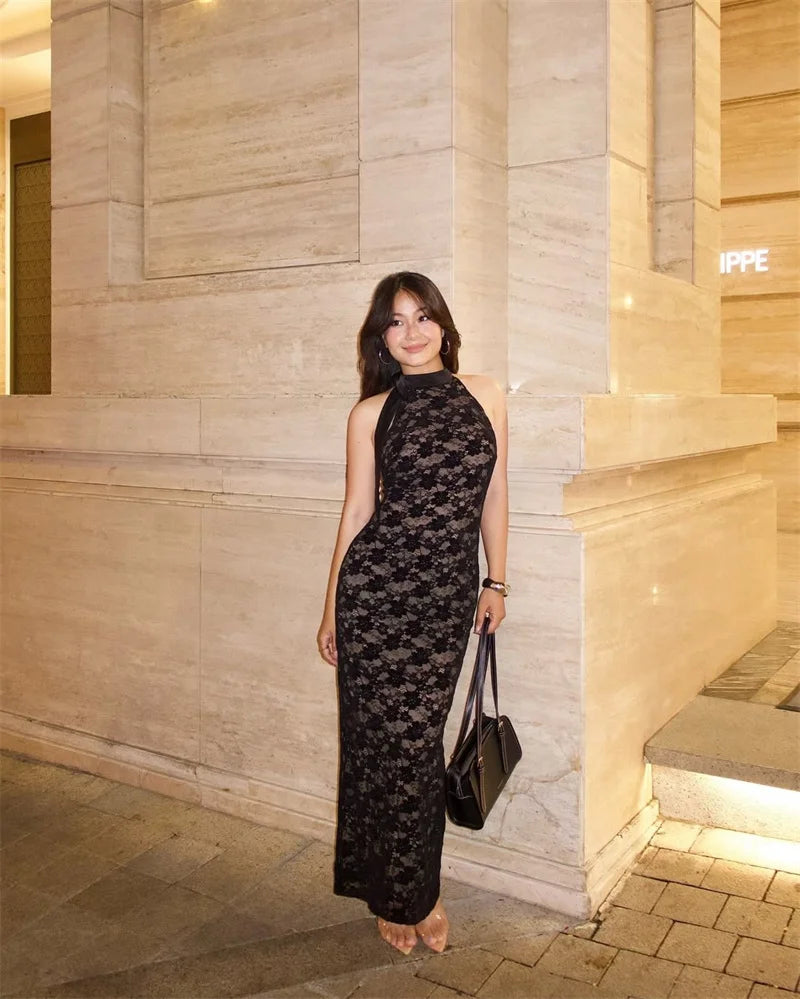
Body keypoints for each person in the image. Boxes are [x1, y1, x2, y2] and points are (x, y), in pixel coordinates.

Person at [316, 271, 509, 956]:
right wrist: (331, 609)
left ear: (444, 325)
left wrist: (497, 581)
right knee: (388, 749)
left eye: (423, 316)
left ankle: (407, 887)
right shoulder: (371, 413)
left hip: (445, 599)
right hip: (376, 597)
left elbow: (495, 492)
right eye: (396, 321)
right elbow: (356, 512)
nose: (412, 331)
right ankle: (410, 898)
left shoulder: (485, 394)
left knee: (416, 747)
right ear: (382, 338)